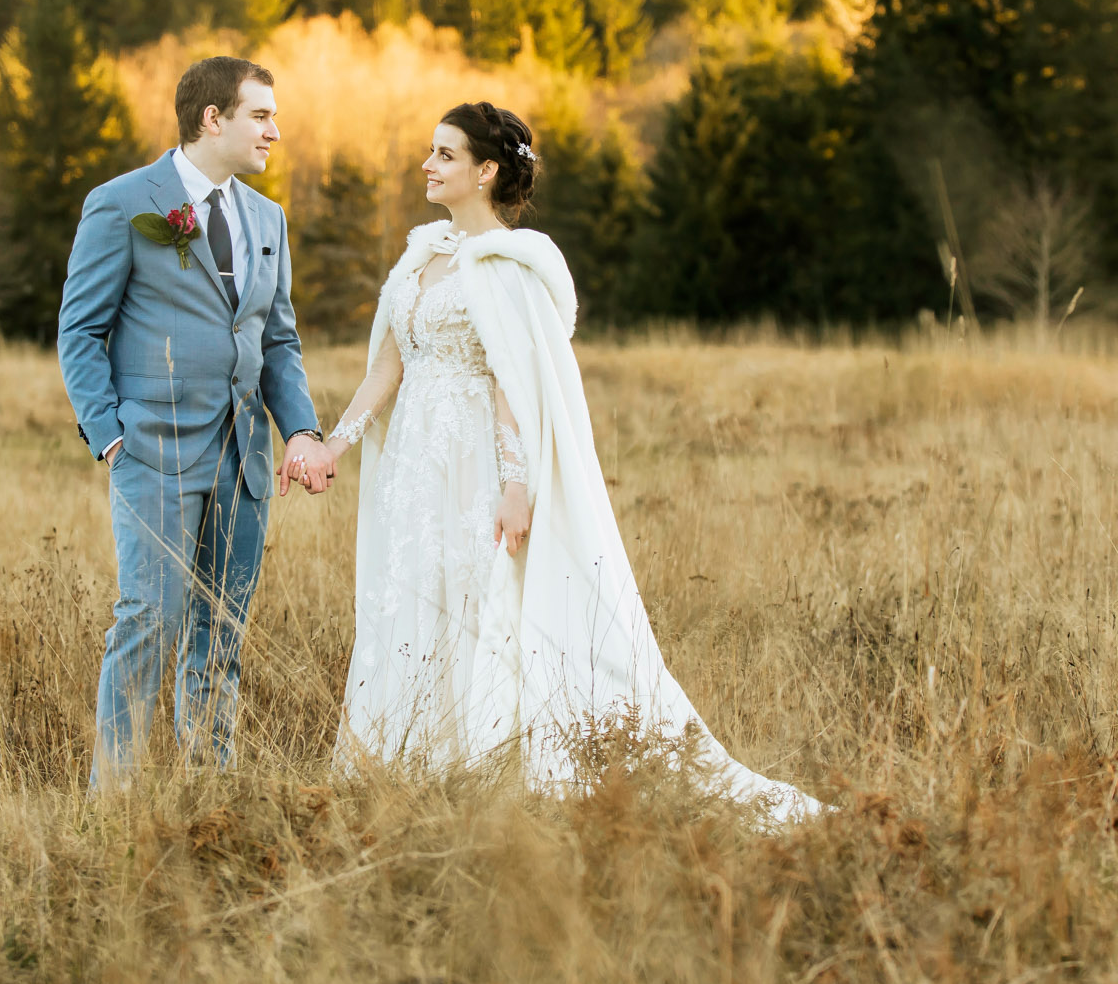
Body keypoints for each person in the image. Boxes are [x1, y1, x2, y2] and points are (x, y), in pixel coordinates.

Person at [318, 102, 825, 823]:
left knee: (473, 599)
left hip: (477, 467)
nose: (427, 166)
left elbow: (512, 389)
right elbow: (386, 369)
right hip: (413, 467)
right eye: (430, 153)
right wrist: (334, 443)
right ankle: (405, 766)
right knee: (411, 597)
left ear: (486, 170)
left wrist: (517, 485)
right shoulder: (418, 256)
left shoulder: (509, 266)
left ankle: (481, 765)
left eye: (444, 155)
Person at [59, 56, 338, 788]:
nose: (276, 130)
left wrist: (301, 429)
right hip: (152, 453)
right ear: (212, 119)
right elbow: (80, 330)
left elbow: (277, 338)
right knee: (147, 621)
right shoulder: (122, 203)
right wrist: (110, 433)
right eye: (261, 115)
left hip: (243, 460)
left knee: (221, 637)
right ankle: (112, 804)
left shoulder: (268, 217)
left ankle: (209, 799)